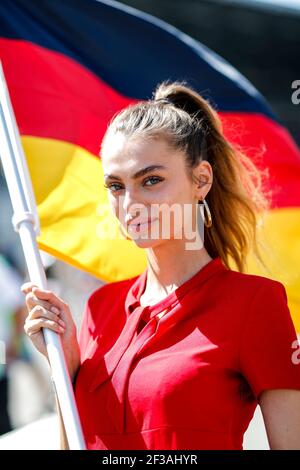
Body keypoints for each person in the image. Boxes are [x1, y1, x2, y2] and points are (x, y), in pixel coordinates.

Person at [21, 80, 300, 450]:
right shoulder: (98, 309)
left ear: (201, 180)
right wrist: (66, 367)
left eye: (151, 180)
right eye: (116, 187)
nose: (131, 203)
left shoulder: (256, 302)